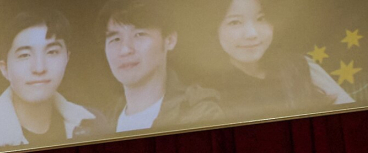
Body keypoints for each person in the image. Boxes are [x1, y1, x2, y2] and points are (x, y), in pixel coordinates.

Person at [0, 9, 98, 153]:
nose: (39, 68)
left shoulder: (94, 123)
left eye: (52, 52)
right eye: (25, 55)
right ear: (4, 68)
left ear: (67, 58)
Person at [192, 0, 353, 120]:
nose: (252, 34)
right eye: (235, 22)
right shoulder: (205, 93)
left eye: (261, 18)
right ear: (214, 29)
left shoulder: (298, 66)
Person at [99, 0, 222, 134]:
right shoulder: (97, 122)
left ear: (170, 40)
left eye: (139, 34)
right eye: (115, 39)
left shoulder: (199, 113)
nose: (125, 50)